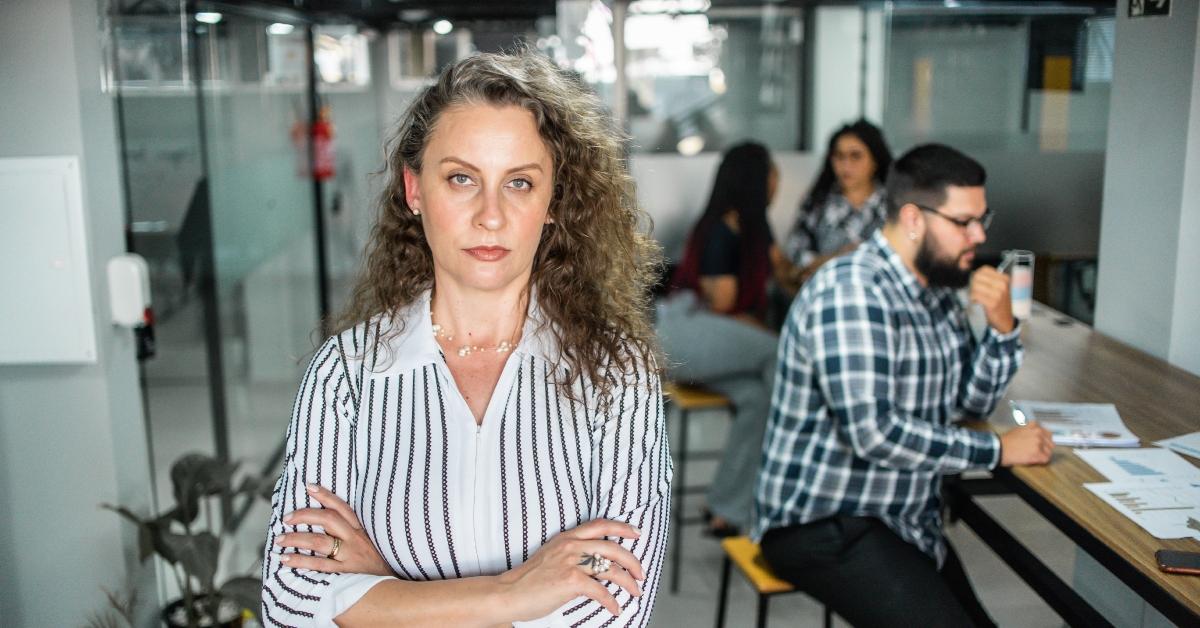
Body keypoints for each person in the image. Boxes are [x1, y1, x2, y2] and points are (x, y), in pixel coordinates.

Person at [261, 49, 670, 627]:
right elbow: (290, 607)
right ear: (415, 189)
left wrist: (383, 592)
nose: (491, 216)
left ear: (553, 201)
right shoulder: (346, 372)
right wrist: (511, 594)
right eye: (461, 179)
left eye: (520, 183)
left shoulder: (615, 372)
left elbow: (613, 612)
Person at [754, 144, 1055, 628]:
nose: (978, 235)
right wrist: (996, 450)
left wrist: (1002, 330)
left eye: (983, 219)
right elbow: (874, 433)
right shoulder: (852, 291)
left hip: (900, 520)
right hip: (823, 522)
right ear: (913, 218)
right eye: (964, 222)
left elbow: (967, 405)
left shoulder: (935, 292)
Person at [657, 142, 791, 536]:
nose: (777, 182)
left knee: (759, 396)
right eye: (772, 173)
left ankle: (728, 507)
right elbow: (723, 304)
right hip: (683, 332)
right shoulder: (723, 229)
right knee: (784, 355)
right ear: (756, 180)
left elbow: (782, 273)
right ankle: (789, 484)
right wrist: (767, 334)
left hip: (703, 343)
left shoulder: (750, 229)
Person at [783, 119, 893, 287]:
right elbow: (795, 251)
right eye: (839, 156)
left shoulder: (893, 204)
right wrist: (835, 258)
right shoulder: (818, 202)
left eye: (855, 156)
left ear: (875, 160)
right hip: (826, 291)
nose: (845, 165)